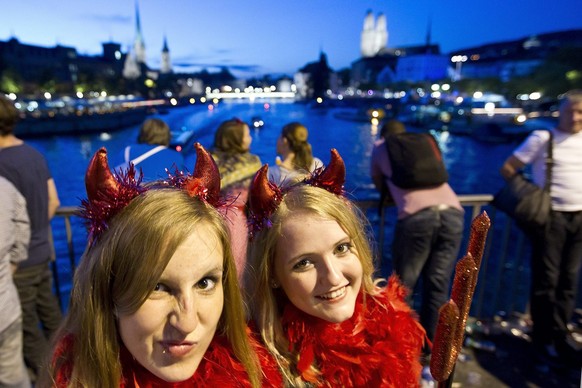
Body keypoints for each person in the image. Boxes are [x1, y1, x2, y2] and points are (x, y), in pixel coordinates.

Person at [40, 144, 281, 387]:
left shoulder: (254, 373)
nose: (186, 323)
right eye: (157, 286)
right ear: (108, 290)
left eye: (205, 283)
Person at [245, 149, 425, 387]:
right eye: (304, 263)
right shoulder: (257, 370)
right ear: (273, 275)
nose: (333, 277)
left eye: (341, 248)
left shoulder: (392, 328)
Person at [369, 119, 464, 371]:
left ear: (384, 135)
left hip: (417, 217)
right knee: (437, 285)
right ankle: (432, 349)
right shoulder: (424, 144)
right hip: (453, 213)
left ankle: (402, 347)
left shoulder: (381, 147)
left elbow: (378, 181)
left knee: (404, 286)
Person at [500, 90, 582, 369]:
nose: (575, 117)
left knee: (568, 279)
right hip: (552, 217)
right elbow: (509, 168)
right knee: (547, 279)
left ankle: (560, 334)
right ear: (561, 111)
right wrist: (533, 195)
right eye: (571, 111)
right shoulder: (543, 138)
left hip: (578, 216)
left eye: (581, 112)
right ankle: (542, 337)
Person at [0, 93, 62, 381]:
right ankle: (69, 369)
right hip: (42, 252)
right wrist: (37, 227)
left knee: (26, 328)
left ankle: (48, 378)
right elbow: (53, 201)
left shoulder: (2, 164)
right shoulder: (34, 154)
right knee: (52, 318)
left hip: (18, 261)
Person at [211, 118, 262, 278]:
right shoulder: (253, 162)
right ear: (236, 139)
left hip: (211, 220)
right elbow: (258, 198)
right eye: (247, 135)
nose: (250, 138)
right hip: (238, 222)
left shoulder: (211, 161)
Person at [0, 176, 31, 388]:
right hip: (5, 308)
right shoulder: (5, 187)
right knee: (13, 377)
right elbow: (22, 233)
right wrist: (9, 269)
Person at [118, 117, 185, 181]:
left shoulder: (125, 152)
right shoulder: (176, 157)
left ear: (142, 134)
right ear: (167, 135)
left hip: (130, 192)